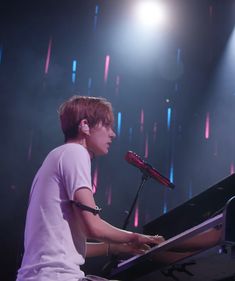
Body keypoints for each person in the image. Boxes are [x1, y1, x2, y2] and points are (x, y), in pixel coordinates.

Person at [16, 95, 164, 281]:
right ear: (85, 125)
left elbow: (62, 246)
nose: (113, 134)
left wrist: (114, 247)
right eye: (107, 125)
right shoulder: (75, 152)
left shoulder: (57, 157)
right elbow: (93, 226)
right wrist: (135, 237)